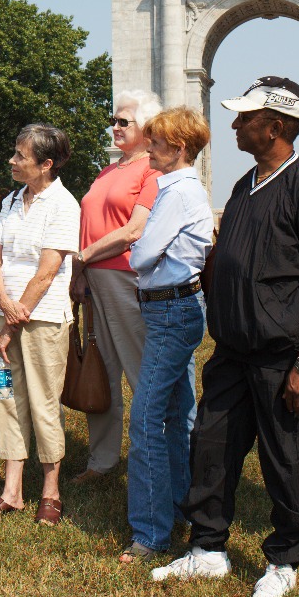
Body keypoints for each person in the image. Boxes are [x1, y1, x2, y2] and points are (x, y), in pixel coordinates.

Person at [153, 77, 299, 597]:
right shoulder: (245, 186)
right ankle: (207, 549)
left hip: (280, 357)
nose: (236, 125)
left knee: (286, 458)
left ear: (276, 127)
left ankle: (285, 559)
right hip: (231, 353)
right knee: (212, 447)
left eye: (246, 118)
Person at [119, 107, 213, 563]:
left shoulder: (176, 191)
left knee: (147, 419)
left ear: (178, 150)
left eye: (155, 143)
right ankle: (180, 506)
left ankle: (151, 532)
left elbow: (141, 255)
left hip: (171, 309)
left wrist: (144, 253)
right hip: (175, 307)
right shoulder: (179, 188)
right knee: (178, 413)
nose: (148, 147)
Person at [0, 124, 80, 526]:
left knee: (42, 402)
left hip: (41, 319)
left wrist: (11, 322)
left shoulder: (64, 205)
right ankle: (13, 490)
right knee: (6, 397)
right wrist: (3, 305)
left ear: (46, 164)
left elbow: (48, 270)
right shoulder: (10, 201)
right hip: (3, 312)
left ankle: (51, 492)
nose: (12, 161)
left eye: (21, 156)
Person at [69, 90, 162, 484]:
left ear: (147, 128)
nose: (115, 126)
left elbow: (134, 230)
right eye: (115, 119)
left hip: (126, 279)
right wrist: (79, 272)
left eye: (124, 121)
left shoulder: (152, 170)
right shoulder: (108, 170)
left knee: (139, 372)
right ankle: (101, 462)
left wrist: (85, 255)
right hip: (93, 282)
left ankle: (152, 461)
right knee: (100, 371)